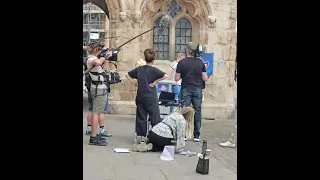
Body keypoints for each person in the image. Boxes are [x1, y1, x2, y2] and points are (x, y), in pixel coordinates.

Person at [126, 48, 168, 147]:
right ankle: (156, 137)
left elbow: (128, 75)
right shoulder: (154, 70)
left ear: (145, 58)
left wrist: (135, 82)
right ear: (153, 59)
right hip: (151, 96)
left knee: (141, 117)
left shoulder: (139, 69)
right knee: (155, 117)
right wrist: (155, 82)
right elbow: (165, 76)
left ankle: (141, 139)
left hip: (141, 95)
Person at [175, 42, 208, 142]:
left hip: (186, 89)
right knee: (197, 111)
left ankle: (185, 134)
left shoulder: (182, 62)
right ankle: (197, 135)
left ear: (187, 50)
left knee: (185, 111)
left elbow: (177, 78)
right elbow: (205, 78)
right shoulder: (200, 62)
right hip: (197, 89)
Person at [86, 42, 112, 146]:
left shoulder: (96, 58)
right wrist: (103, 56)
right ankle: (93, 136)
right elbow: (97, 62)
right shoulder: (91, 59)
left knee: (96, 111)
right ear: (96, 50)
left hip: (100, 88)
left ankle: (94, 135)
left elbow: (106, 69)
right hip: (98, 89)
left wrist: (106, 58)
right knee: (96, 112)